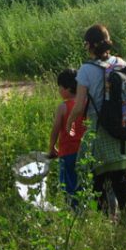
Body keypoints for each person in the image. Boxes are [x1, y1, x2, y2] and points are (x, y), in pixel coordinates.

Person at [66, 24, 126, 225]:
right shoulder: (121, 63)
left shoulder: (86, 70)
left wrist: (70, 123)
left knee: (94, 180)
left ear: (88, 45)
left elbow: (79, 105)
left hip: (101, 132)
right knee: (120, 182)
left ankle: (105, 223)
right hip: (125, 131)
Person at [48, 69, 87, 206]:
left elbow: (56, 129)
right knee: (84, 183)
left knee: (68, 185)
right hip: (85, 152)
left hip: (68, 152)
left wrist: (52, 147)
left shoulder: (63, 107)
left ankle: (73, 211)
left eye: (60, 87)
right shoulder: (85, 104)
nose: (59, 90)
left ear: (68, 88)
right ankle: (85, 210)